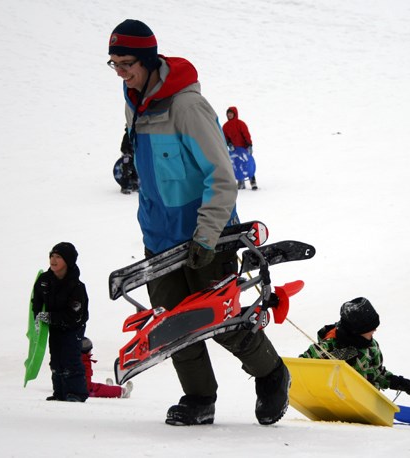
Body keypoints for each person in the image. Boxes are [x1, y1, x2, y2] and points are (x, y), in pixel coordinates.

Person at [107, 19, 289, 426]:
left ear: (149, 59)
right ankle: (199, 398)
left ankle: (272, 373)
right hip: (160, 237)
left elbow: (222, 177)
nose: (120, 72)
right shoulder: (133, 100)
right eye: (114, 64)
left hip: (207, 235)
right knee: (172, 323)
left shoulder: (187, 107)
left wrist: (207, 236)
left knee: (219, 320)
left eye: (126, 64)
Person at [300, 297, 410, 395]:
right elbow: (302, 365)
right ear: (356, 331)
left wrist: (397, 382)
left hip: (364, 402)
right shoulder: (330, 346)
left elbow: (377, 373)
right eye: (370, 329)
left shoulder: (371, 347)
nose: (375, 329)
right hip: (334, 400)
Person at [32, 242, 89, 402]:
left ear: (68, 261)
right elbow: (36, 302)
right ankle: (60, 393)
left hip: (73, 327)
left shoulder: (76, 287)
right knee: (56, 359)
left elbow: (74, 316)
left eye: (58, 257)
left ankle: (76, 394)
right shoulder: (44, 280)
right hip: (54, 327)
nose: (53, 260)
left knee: (70, 358)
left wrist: (50, 317)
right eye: (52, 256)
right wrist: (37, 317)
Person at [222, 106, 257, 190]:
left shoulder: (240, 123)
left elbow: (246, 134)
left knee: (248, 164)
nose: (229, 115)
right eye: (228, 113)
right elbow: (225, 137)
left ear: (235, 114)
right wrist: (229, 144)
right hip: (235, 150)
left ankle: (252, 181)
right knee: (237, 164)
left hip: (244, 148)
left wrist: (249, 145)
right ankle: (241, 182)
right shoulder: (225, 126)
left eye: (231, 113)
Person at [115, 126, 139, 194]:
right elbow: (123, 147)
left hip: (134, 155)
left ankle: (135, 184)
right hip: (127, 156)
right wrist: (127, 152)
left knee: (135, 169)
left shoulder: (136, 135)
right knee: (126, 170)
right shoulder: (127, 135)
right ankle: (124, 187)